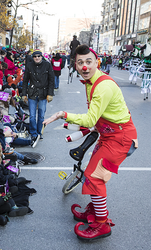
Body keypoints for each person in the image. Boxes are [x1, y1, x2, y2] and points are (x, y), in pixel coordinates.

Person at [43, 45, 138, 241]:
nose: (85, 66)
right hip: (109, 135)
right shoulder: (91, 82)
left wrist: (63, 114)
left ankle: (101, 224)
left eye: (88, 62)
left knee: (94, 177)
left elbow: (90, 119)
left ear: (97, 63)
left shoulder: (102, 86)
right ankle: (93, 212)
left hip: (120, 139)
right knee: (92, 172)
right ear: (75, 65)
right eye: (80, 62)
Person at [21, 49, 54, 145]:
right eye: (35, 56)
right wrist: (23, 94)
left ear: (41, 57)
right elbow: (25, 81)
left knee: (41, 115)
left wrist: (50, 93)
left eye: (38, 56)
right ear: (33, 57)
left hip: (43, 93)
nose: (37, 58)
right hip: (32, 93)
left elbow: (51, 80)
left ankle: (39, 132)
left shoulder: (47, 65)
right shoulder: (29, 65)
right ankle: (33, 133)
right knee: (32, 116)